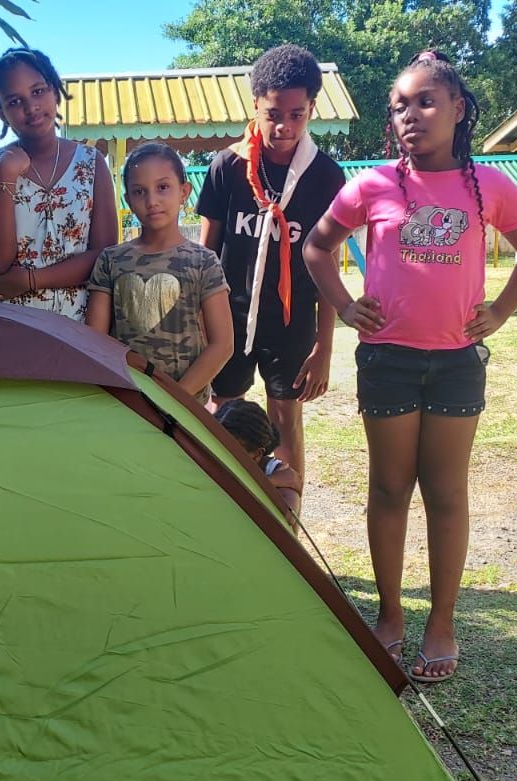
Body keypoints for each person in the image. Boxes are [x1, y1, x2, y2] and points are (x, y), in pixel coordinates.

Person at [302, 50, 517, 683]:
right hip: (387, 361)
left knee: (445, 493)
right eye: (399, 107)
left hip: (456, 364)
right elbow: (317, 246)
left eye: (425, 101)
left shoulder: (489, 186)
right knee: (389, 489)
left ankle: (441, 622)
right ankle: (390, 615)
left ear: (458, 109)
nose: (410, 115)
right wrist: (345, 305)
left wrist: (499, 311)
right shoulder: (372, 185)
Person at [197, 44, 345, 479]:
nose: (284, 126)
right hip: (229, 315)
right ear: (255, 106)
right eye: (273, 114)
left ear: (312, 108)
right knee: (225, 412)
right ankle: (227, 499)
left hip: (291, 319)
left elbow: (328, 267)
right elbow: (205, 257)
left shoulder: (325, 176)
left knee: (286, 416)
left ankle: (287, 507)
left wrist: (324, 347)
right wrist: (203, 322)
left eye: (297, 114)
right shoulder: (227, 166)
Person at [0, 47, 116, 322]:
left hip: (80, 325)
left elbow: (104, 256)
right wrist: (6, 176)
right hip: (11, 322)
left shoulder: (91, 163)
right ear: (1, 113)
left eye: (38, 91)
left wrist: (31, 280)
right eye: (15, 101)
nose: (31, 107)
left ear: (55, 92)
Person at [86, 143, 233, 399]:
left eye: (162, 187)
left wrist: (176, 400)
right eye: (139, 191)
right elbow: (96, 342)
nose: (152, 201)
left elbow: (222, 344)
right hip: (127, 401)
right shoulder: (111, 260)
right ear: (128, 200)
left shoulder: (204, 262)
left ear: (184, 191)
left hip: (187, 407)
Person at [215, 399, 302, 512]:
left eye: (229, 451)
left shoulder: (282, 478)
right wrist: (268, 482)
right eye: (216, 445)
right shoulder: (206, 458)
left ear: (256, 455)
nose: (219, 455)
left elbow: (288, 516)